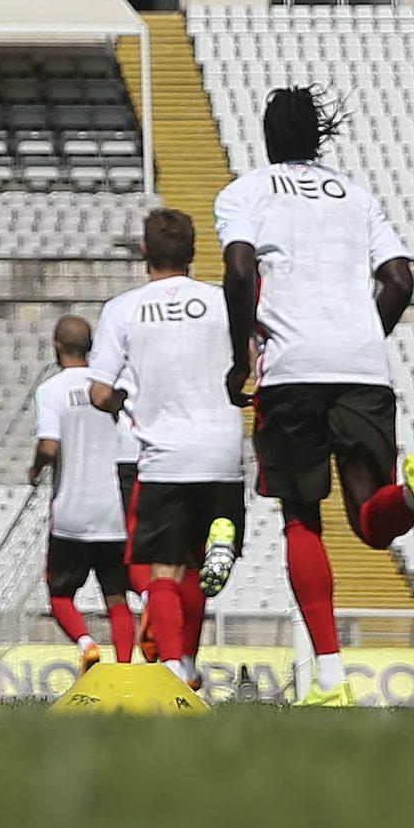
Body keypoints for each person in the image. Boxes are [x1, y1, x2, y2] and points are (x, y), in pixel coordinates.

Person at [219, 85, 414, 706]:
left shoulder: (246, 192)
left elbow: (240, 270)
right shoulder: (356, 195)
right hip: (362, 366)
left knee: (300, 513)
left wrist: (243, 354)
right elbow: (401, 277)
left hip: (291, 368)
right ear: (316, 138)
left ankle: (330, 678)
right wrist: (364, 337)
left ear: (267, 139)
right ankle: (407, 498)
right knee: (371, 521)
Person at [90, 206, 242, 689]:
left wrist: (123, 402)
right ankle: (192, 663)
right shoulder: (224, 302)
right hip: (224, 453)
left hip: (165, 456)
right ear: (195, 253)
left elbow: (97, 392)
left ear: (144, 252)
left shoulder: (124, 309)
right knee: (198, 565)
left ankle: (175, 667)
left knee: (164, 568)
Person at [31, 314, 138, 665]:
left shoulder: (51, 390)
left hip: (71, 516)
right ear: (91, 347)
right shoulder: (107, 388)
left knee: (60, 595)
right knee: (117, 597)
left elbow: (49, 446)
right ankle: (124, 667)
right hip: (113, 514)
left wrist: (34, 469)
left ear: (57, 346)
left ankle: (86, 644)